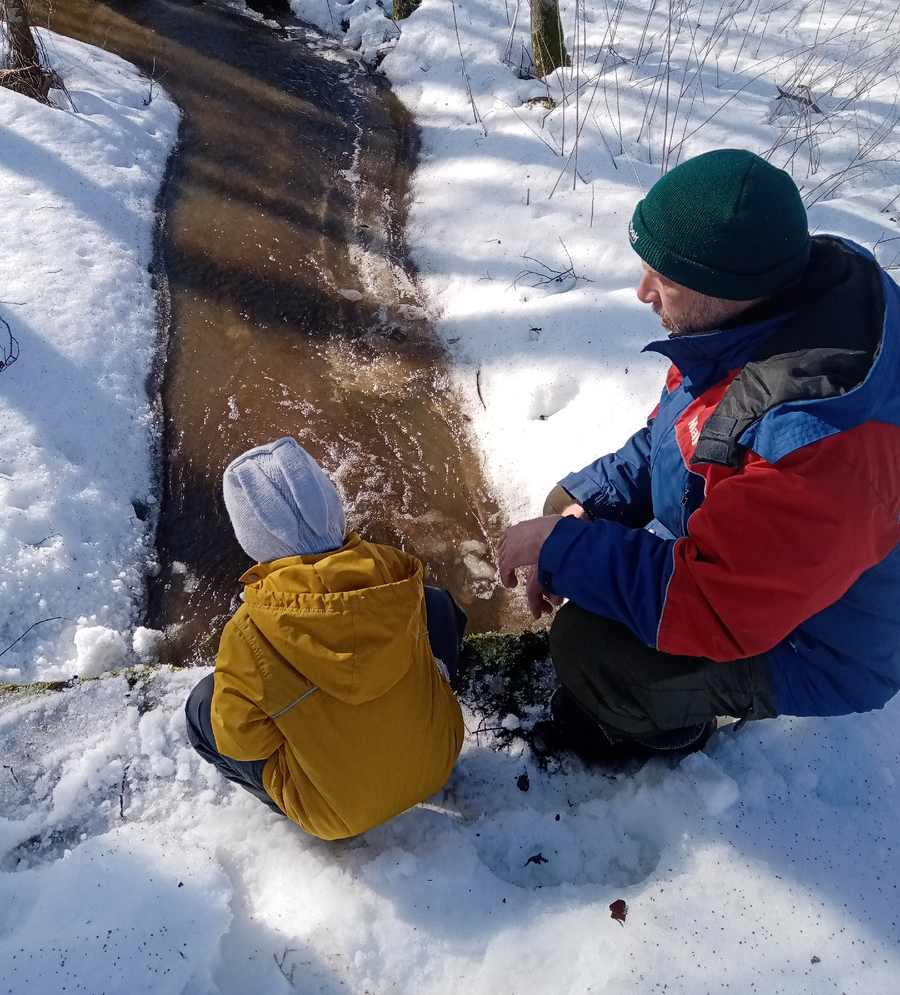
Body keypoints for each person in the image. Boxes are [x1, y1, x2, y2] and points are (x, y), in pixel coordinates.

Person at [498, 148, 900, 763]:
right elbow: (678, 435)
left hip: (817, 641)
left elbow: (711, 607)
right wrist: (585, 502)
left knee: (593, 651)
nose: (641, 292)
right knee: (565, 509)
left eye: (664, 277)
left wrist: (562, 550)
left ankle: (665, 728)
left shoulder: (817, 452)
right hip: (771, 571)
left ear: (728, 289)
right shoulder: (749, 324)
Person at [185, 437, 466, 838]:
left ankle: (299, 797)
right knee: (436, 604)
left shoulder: (247, 634)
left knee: (203, 704)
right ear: (332, 505)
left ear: (252, 540)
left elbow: (241, 743)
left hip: (338, 813)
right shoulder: (395, 572)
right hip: (439, 757)